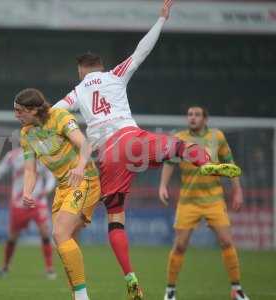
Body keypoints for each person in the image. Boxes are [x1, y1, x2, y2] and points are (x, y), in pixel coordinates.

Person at [53, 0, 240, 298]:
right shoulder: (115, 74)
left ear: (82, 70)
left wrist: (39, 123)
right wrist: (161, 20)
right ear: (100, 66)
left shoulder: (77, 92)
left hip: (108, 156)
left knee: (115, 218)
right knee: (178, 145)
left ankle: (130, 276)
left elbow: (55, 114)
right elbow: (142, 51)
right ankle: (201, 161)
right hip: (132, 139)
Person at [14, 88, 101, 300]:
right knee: (66, 242)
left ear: (33, 110)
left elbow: (85, 145)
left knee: (60, 233)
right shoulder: (26, 134)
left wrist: (80, 167)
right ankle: (77, 295)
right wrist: (27, 191)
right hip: (63, 187)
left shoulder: (59, 116)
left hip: (85, 180)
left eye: (19, 111)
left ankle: (82, 297)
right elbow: (29, 169)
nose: (16, 115)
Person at [159, 106, 249, 300]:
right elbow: (169, 162)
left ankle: (237, 289)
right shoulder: (180, 138)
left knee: (226, 241)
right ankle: (170, 291)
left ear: (205, 119)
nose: (192, 117)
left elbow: (230, 164)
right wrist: (163, 186)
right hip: (188, 200)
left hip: (214, 199)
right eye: (190, 114)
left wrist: (237, 191)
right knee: (180, 245)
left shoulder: (218, 137)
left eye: (197, 114)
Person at [0, 148, 57, 279]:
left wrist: (47, 190)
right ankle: (6, 266)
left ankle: (49, 268)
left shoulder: (43, 154)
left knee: (45, 231)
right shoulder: (12, 156)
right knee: (13, 236)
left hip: (38, 200)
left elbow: (50, 176)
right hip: (19, 202)